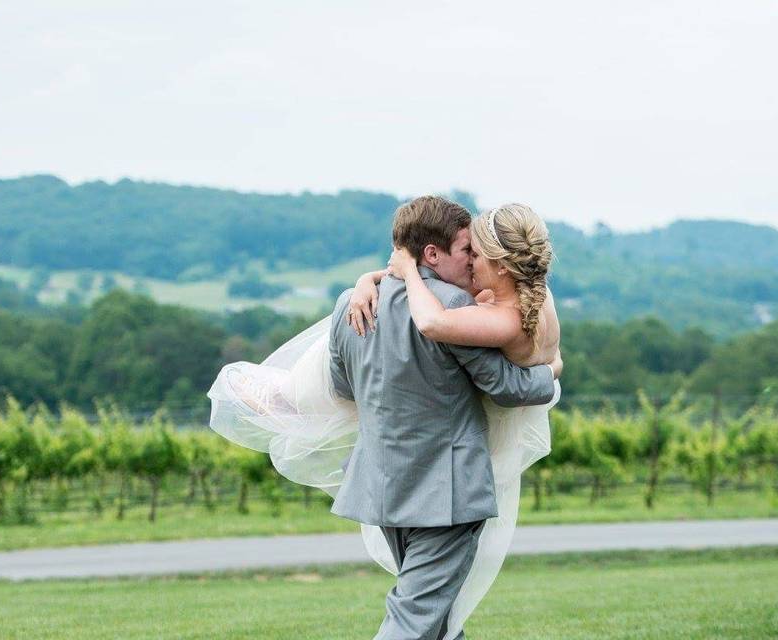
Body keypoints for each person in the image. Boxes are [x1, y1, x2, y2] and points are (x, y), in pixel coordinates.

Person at [207, 196, 561, 640]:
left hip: (382, 486)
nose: (474, 261)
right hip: (446, 491)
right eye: (466, 250)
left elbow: (340, 388)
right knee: (415, 617)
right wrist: (553, 374)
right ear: (432, 254)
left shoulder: (350, 305)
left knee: (437, 618)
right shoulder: (455, 308)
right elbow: (507, 387)